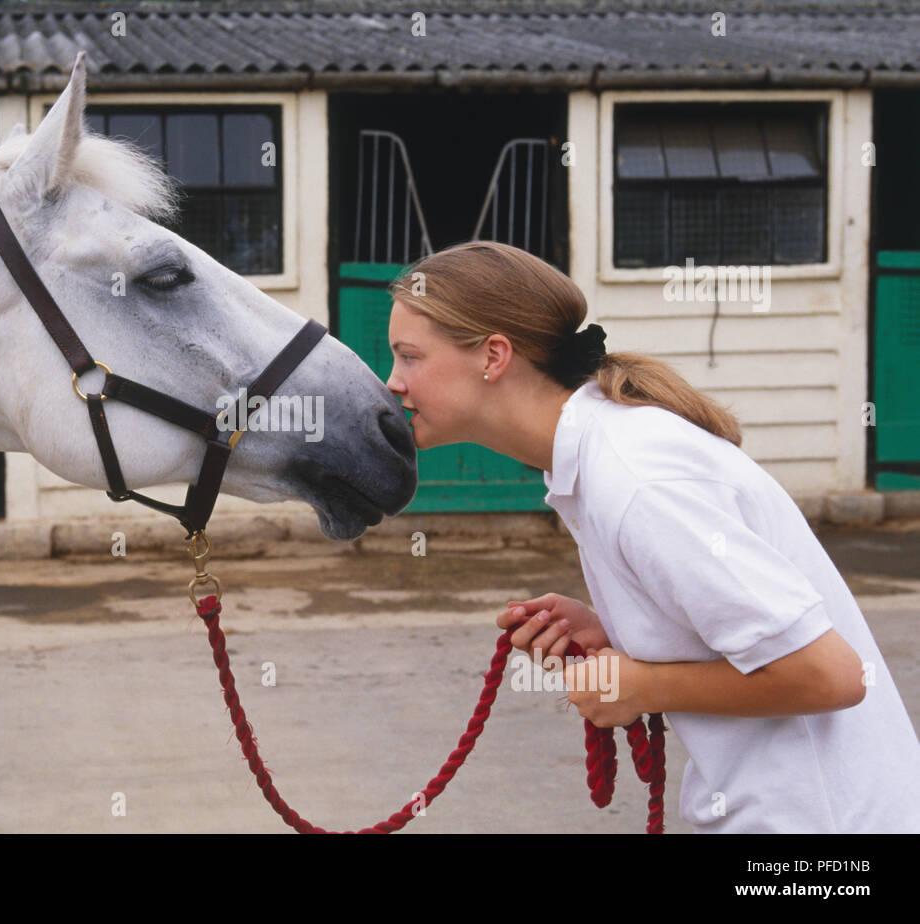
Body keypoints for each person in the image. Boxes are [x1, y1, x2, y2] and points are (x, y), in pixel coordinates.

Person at [384, 239, 920, 834]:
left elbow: (829, 676)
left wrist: (638, 685)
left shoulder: (637, 479)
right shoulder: (598, 458)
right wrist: (617, 631)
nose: (392, 382)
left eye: (409, 357)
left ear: (493, 355)